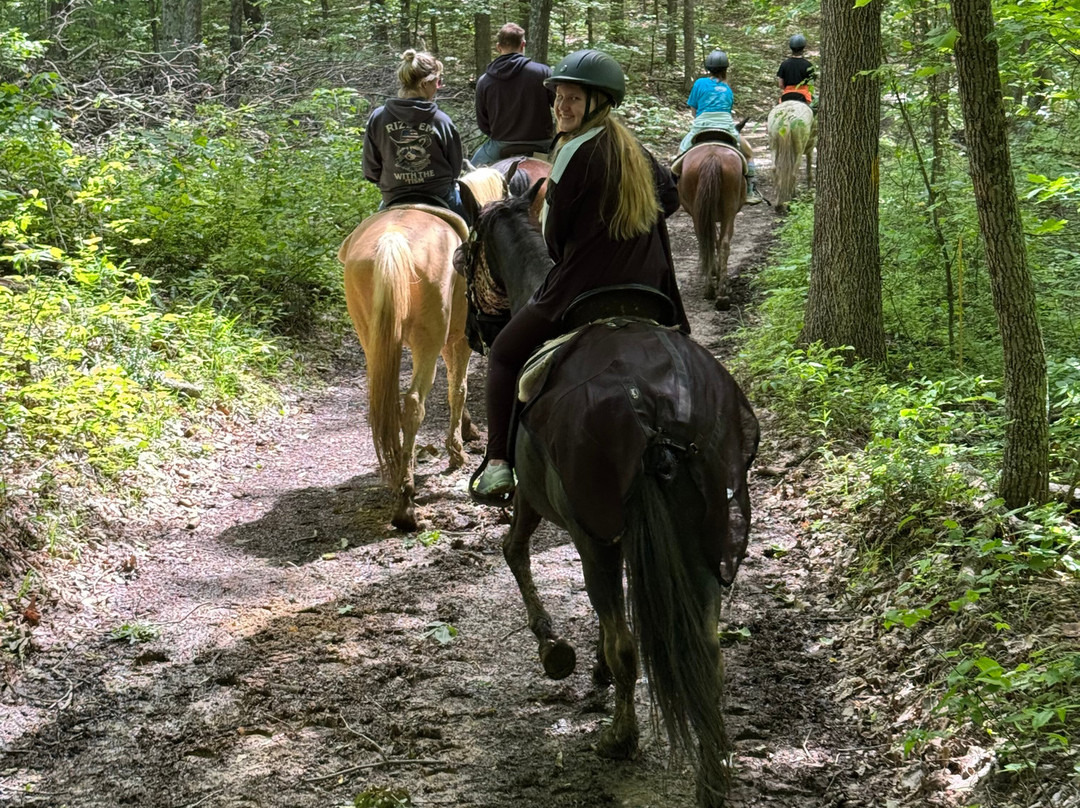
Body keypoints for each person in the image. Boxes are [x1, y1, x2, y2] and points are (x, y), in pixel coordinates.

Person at [473, 49, 690, 499]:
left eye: (573, 98)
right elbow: (671, 200)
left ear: (599, 103)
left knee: (506, 355)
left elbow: (553, 236)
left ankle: (497, 463)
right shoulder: (637, 149)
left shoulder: (572, 150)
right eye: (559, 98)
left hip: (583, 288)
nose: (561, 107)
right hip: (650, 287)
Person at [362, 49, 467, 219]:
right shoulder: (441, 120)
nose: (438, 87)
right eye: (438, 82)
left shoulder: (378, 118)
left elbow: (370, 170)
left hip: (394, 197)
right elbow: (455, 168)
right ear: (424, 84)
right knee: (474, 227)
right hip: (440, 196)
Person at [678, 50, 763, 205]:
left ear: (708, 68)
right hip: (725, 127)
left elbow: (694, 111)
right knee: (749, 153)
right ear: (725, 69)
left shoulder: (699, 83)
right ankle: (750, 190)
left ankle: (675, 187)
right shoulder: (727, 89)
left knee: (680, 153)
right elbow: (727, 110)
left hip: (702, 125)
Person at [472, 23, 555, 165]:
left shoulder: (484, 81)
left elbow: (483, 123)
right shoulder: (543, 72)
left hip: (501, 145)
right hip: (542, 144)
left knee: (468, 177)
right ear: (523, 44)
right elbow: (559, 105)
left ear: (498, 47)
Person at [776, 34, 815, 105]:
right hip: (804, 96)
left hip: (787, 95)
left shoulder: (784, 64)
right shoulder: (808, 65)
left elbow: (781, 84)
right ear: (804, 48)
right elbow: (811, 83)